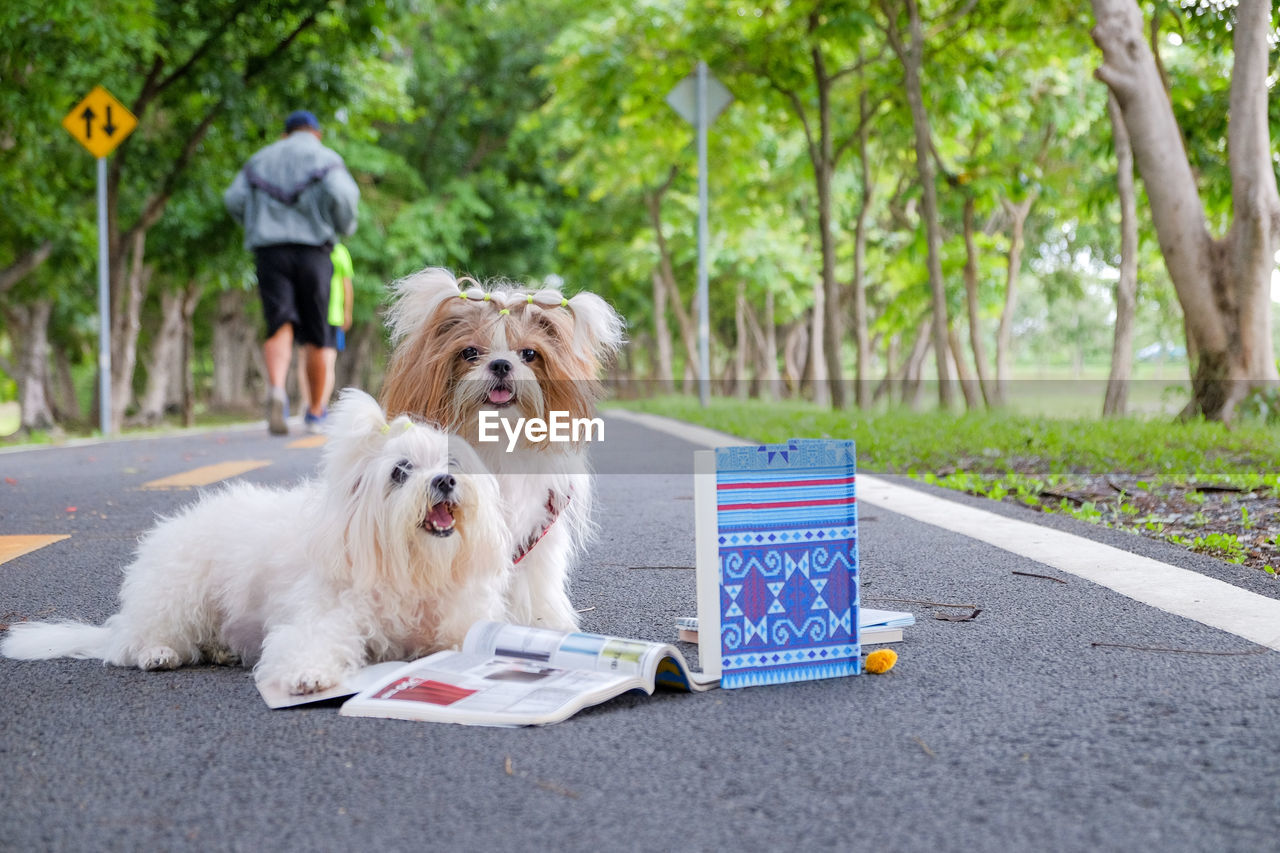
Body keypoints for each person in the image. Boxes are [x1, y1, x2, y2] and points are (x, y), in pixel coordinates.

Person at [224, 110, 359, 435]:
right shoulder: (325, 156)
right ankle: (314, 412)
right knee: (316, 333)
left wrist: (258, 223)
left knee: (279, 323)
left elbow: (234, 198)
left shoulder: (260, 159)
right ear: (316, 133)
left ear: (285, 134)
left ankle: (277, 391)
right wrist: (343, 226)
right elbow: (344, 196)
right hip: (314, 250)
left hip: (271, 251)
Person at [298, 242, 354, 424]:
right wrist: (347, 311)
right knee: (327, 361)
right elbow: (347, 285)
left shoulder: (304, 247)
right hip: (331, 315)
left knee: (304, 360)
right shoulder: (338, 250)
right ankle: (318, 406)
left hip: (308, 314)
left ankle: (310, 404)